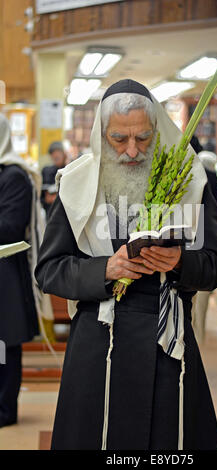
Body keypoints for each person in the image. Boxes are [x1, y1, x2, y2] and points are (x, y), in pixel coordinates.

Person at [35, 79, 217, 450]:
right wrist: (105, 270)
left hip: (166, 342)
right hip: (99, 341)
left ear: (156, 130)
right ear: (101, 135)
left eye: (142, 138)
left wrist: (178, 263)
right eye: (119, 139)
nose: (131, 151)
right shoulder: (77, 185)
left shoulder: (188, 181)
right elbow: (49, 270)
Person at [0, 115, 44, 427]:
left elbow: (11, 228)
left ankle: (4, 410)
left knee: (4, 345)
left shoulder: (14, 175)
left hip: (5, 275)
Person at [190, 136, 217, 345]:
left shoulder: (174, 173)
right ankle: (197, 346)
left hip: (181, 250)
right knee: (199, 310)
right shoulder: (210, 176)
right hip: (203, 250)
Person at [41, 141, 66, 216]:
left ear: (63, 153)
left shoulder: (69, 171)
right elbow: (42, 196)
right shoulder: (46, 172)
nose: (55, 155)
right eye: (53, 153)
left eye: (58, 151)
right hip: (50, 213)